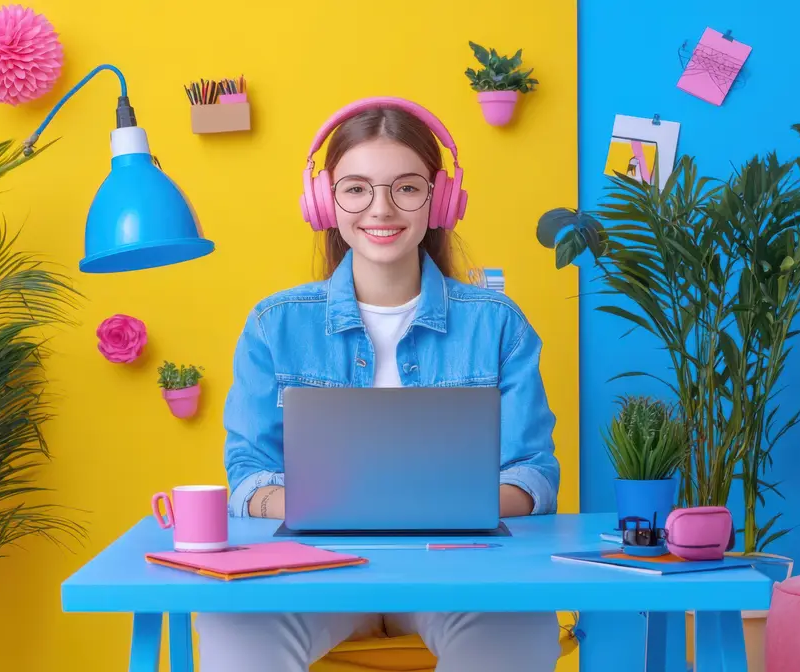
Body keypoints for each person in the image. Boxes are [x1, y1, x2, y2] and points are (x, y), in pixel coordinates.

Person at [196, 97, 562, 672]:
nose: (381, 209)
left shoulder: (498, 325)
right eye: (357, 188)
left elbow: (533, 477)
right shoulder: (275, 325)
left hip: (457, 574)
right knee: (229, 625)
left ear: (441, 199)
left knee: (519, 631)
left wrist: (441, 509)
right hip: (315, 570)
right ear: (325, 201)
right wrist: (323, 506)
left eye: (407, 188)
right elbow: (247, 478)